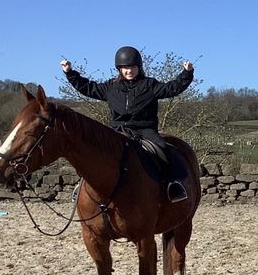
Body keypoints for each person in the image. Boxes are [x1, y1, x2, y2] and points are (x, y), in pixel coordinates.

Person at [61, 46, 195, 202]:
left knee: (163, 149)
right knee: (92, 151)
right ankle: (82, 184)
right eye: (125, 68)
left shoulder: (150, 85)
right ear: (119, 69)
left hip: (145, 130)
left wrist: (187, 73)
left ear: (139, 67)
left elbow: (171, 88)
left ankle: (173, 183)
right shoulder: (110, 87)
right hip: (117, 130)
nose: (129, 71)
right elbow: (87, 87)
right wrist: (70, 73)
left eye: (132, 67)